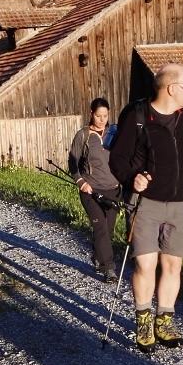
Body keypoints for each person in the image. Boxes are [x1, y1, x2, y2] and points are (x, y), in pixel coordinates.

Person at [109, 63, 183, 352]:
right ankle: (143, 321)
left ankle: (164, 322)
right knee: (145, 264)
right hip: (145, 203)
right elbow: (117, 159)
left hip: (179, 204)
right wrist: (132, 178)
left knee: (173, 265)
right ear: (172, 88)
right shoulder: (137, 115)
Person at [68, 97, 121, 282]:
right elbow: (72, 162)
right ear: (91, 114)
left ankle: (98, 256)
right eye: (98, 116)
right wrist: (81, 181)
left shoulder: (115, 133)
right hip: (90, 190)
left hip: (113, 189)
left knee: (108, 230)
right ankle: (109, 268)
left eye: (105, 116)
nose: (102, 119)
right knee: (100, 227)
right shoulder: (83, 136)